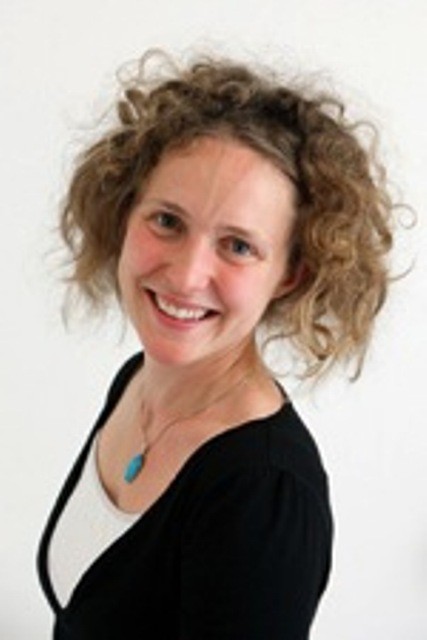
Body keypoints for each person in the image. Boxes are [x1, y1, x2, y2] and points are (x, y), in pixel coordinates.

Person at [37, 50, 394, 639]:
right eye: (167, 222)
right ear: (125, 214)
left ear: (291, 274)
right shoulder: (137, 381)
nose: (185, 276)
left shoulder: (265, 494)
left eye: (238, 246)